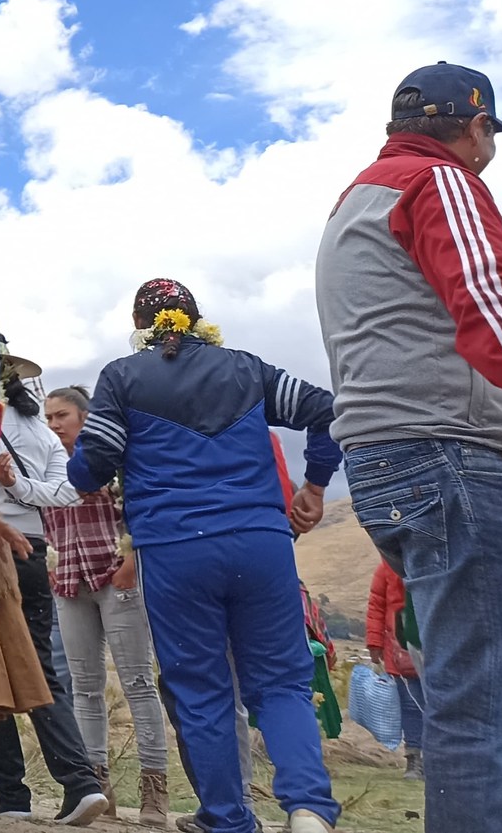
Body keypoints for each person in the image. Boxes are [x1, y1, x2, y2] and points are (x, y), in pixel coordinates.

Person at [314, 61, 502, 833]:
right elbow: (493, 307)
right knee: (482, 711)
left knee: (473, 695)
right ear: (476, 129)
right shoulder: (443, 184)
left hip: (387, 461)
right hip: (452, 455)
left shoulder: (354, 200)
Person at [68, 280, 341, 833]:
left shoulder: (121, 378)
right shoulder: (247, 369)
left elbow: (90, 468)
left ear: (143, 326)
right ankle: (308, 807)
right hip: (262, 543)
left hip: (174, 550)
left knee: (201, 688)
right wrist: (313, 486)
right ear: (197, 319)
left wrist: (87, 467)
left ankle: (228, 819)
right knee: (280, 682)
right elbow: (327, 410)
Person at [0, 346, 110, 824]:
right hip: (32, 552)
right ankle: (80, 781)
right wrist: (24, 491)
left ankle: (12, 792)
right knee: (40, 668)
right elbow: (65, 493)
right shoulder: (39, 431)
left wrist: (9, 488)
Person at [42, 384, 171, 825]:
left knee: (137, 682)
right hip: (68, 580)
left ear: (84, 416)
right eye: (49, 418)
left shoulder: (114, 456)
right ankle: (97, 786)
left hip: (115, 575)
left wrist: (132, 557)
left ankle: (155, 789)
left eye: (61, 415)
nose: (55, 424)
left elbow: (137, 506)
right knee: (85, 685)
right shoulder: (48, 463)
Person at [364, 562, 423, 779]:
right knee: (410, 706)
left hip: (434, 645)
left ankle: (437, 759)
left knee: (436, 706)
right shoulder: (386, 568)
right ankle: (414, 760)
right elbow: (377, 606)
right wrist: (375, 643)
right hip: (399, 649)